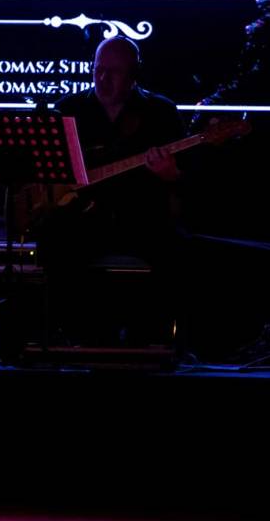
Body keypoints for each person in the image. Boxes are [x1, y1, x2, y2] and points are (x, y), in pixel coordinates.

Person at [40, 37, 186, 345]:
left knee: (175, 249)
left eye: (114, 72)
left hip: (141, 219)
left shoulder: (160, 112)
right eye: (99, 70)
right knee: (54, 242)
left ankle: (152, 342)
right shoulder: (69, 110)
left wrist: (171, 175)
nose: (103, 79)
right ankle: (72, 338)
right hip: (83, 221)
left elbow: (185, 178)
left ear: (134, 74)